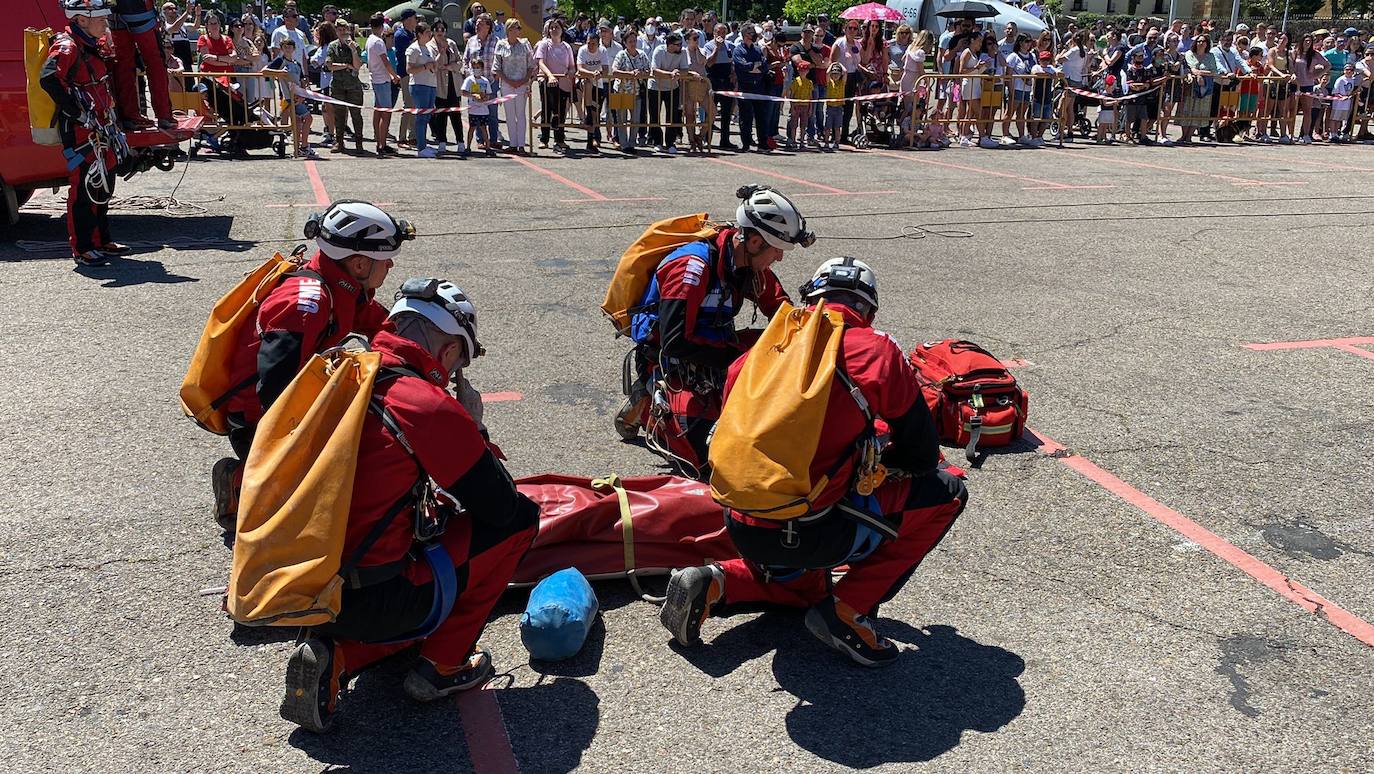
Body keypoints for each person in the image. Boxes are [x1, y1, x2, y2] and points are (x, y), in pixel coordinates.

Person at [659, 256, 968, 668]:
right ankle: (848, 609)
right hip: (815, 529)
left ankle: (718, 582)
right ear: (867, 310)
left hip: (741, 520)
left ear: (809, 298)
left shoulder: (760, 353)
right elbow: (922, 454)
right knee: (947, 493)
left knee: (809, 577)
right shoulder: (875, 350)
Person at [280, 279, 540, 733]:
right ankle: (443, 665)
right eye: (461, 359)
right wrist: (473, 427)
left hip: (304, 581)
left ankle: (338, 654)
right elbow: (498, 505)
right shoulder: (425, 404)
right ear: (446, 352)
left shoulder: (341, 369)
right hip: (379, 596)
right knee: (520, 520)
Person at [210, 201, 406, 530]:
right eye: (385, 259)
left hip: (281, 400)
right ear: (359, 264)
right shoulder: (306, 304)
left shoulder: (336, 281)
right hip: (258, 418)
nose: (389, 266)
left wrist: (413, 348)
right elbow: (275, 391)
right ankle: (239, 481)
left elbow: (375, 322)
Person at [618, 186, 812, 474]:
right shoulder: (691, 267)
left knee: (782, 347)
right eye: (777, 251)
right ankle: (648, 404)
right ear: (756, 241)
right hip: (673, 361)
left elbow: (783, 313)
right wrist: (741, 361)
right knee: (706, 461)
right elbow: (675, 342)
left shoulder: (748, 263)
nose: (780, 259)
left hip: (717, 350)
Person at [41, 0, 129, 268]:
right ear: (81, 20)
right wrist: (77, 112)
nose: (105, 21)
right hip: (81, 132)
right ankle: (83, 247)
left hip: (102, 127)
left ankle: (101, 239)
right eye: (100, 17)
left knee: (104, 184)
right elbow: (48, 77)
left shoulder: (91, 45)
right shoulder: (68, 46)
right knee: (84, 189)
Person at [110, 0, 175, 130]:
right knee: (155, 61)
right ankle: (164, 115)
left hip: (114, 13)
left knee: (123, 65)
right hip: (141, 12)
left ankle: (130, 117)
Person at [493, 18, 534, 154]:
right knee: (509, 115)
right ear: (509, 29)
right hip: (507, 84)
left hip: (521, 83)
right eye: (517, 27)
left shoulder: (525, 44)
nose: (520, 30)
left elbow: (531, 65)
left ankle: (521, 144)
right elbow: (497, 67)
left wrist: (524, 81)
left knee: (520, 114)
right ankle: (513, 144)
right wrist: (508, 81)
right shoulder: (501, 45)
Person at [268, 38, 314, 157]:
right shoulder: (280, 61)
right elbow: (265, 71)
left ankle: (298, 147)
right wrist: (279, 73)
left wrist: (304, 93)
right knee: (308, 118)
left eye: (290, 47)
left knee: (298, 122)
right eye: (285, 47)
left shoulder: (296, 63)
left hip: (299, 96)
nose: (288, 49)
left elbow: (302, 79)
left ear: (294, 49)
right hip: (289, 97)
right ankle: (304, 146)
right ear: (282, 48)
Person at [534, 17, 574, 152]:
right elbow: (540, 62)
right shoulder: (544, 44)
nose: (554, 30)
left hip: (563, 83)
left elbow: (572, 66)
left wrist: (570, 72)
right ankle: (544, 139)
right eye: (551, 27)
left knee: (562, 111)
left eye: (557, 27)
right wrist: (550, 76)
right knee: (547, 109)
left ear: (562, 30)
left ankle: (559, 139)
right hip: (548, 82)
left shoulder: (566, 46)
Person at [325, 21, 364, 154]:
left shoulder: (356, 46)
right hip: (338, 86)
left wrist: (353, 50)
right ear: (336, 31)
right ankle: (339, 142)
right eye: (340, 30)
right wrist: (346, 65)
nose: (343, 32)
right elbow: (330, 66)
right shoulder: (333, 46)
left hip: (353, 86)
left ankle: (359, 142)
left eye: (345, 29)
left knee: (356, 115)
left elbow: (358, 65)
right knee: (339, 116)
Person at [465, 13, 503, 148]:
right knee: (477, 112)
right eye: (476, 23)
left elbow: (499, 60)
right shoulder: (471, 41)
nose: (477, 26)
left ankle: (493, 140)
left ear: (488, 26)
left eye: (480, 24)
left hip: (491, 82)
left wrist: (497, 75)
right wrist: (468, 76)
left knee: (492, 112)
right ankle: (480, 141)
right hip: (475, 84)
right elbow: (466, 60)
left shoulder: (496, 41)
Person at [430, 20, 466, 156]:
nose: (440, 32)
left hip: (453, 83)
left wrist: (450, 67)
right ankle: (442, 142)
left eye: (442, 29)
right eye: (437, 29)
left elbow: (459, 61)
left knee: (456, 114)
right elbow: (434, 65)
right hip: (439, 84)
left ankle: (460, 142)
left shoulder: (451, 43)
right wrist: (441, 52)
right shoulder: (430, 46)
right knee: (441, 115)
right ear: (433, 31)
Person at [365, 15, 400, 155]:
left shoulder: (369, 40)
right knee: (386, 114)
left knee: (378, 110)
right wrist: (394, 75)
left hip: (375, 78)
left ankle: (379, 141)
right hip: (382, 80)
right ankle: (382, 144)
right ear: (381, 26)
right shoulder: (379, 42)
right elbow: (386, 62)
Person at [611, 28, 650, 153]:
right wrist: (629, 73)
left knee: (635, 120)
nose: (633, 43)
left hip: (636, 92)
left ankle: (632, 143)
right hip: (621, 91)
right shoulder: (621, 55)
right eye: (630, 41)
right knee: (621, 119)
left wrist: (642, 73)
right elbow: (614, 71)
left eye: (634, 41)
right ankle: (624, 144)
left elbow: (649, 71)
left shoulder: (642, 55)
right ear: (625, 42)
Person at [648, 31, 688, 153]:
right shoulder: (659, 51)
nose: (680, 46)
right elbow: (654, 70)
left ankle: (670, 142)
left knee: (672, 115)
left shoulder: (683, 53)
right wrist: (670, 74)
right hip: (656, 87)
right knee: (655, 115)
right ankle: (657, 141)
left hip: (672, 88)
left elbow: (685, 70)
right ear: (670, 45)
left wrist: (678, 72)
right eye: (677, 44)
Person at [732, 24, 768, 151]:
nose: (753, 35)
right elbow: (742, 66)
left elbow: (764, 66)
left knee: (761, 116)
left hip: (758, 86)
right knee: (745, 117)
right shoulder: (738, 50)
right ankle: (746, 144)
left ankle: (763, 144)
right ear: (744, 35)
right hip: (745, 86)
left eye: (754, 33)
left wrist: (754, 67)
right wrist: (753, 67)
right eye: (750, 33)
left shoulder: (757, 50)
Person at [406, 22, 439, 158]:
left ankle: (424, 144)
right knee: (421, 117)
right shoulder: (413, 49)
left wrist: (434, 64)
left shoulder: (428, 48)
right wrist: (425, 67)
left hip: (431, 84)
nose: (430, 34)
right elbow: (409, 69)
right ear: (419, 34)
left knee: (427, 116)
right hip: (419, 85)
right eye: (427, 32)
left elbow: (433, 65)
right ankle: (421, 148)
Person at [703, 22, 737, 150]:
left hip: (727, 82)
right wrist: (716, 48)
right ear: (714, 33)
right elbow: (709, 63)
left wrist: (734, 75)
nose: (721, 35)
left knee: (726, 113)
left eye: (723, 32)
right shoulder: (708, 46)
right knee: (710, 112)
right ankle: (707, 139)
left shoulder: (731, 46)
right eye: (719, 32)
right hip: (713, 82)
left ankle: (725, 140)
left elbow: (733, 63)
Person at [577, 30, 612, 152]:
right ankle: (587, 109)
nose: (590, 46)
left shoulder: (602, 51)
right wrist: (592, 74)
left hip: (599, 83)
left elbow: (606, 70)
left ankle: (590, 141)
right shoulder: (582, 50)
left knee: (595, 113)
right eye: (588, 43)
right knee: (587, 83)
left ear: (598, 44)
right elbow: (580, 69)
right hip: (584, 80)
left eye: (593, 44)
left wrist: (599, 73)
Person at [830, 18, 862, 143]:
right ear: (845, 29)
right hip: (841, 77)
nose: (852, 30)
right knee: (837, 106)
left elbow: (859, 61)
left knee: (849, 107)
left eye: (855, 28)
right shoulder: (839, 43)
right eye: (850, 28)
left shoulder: (857, 44)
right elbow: (833, 61)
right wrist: (841, 67)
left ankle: (844, 135)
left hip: (853, 76)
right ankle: (834, 134)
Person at [393, 9, 419, 148]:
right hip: (405, 74)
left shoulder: (411, 33)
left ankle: (412, 135)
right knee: (408, 106)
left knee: (413, 106)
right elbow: (405, 56)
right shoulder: (401, 35)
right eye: (415, 18)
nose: (416, 21)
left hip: (413, 74)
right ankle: (402, 138)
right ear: (408, 19)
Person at [462, 56, 495, 155]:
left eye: (478, 67)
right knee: (471, 128)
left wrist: (485, 98)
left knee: (484, 128)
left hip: (483, 110)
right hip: (473, 110)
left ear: (482, 68)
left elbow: (489, 93)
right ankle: (468, 147)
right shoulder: (469, 80)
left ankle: (488, 147)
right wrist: (473, 95)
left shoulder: (485, 81)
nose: (477, 69)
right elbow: (463, 92)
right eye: (475, 67)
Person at [786, 60, 813, 150]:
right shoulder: (795, 81)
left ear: (808, 71)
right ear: (798, 70)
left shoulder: (809, 82)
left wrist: (810, 108)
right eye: (801, 70)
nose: (803, 72)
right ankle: (793, 141)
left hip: (805, 106)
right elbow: (792, 95)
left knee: (803, 125)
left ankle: (801, 141)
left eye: (805, 70)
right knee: (794, 125)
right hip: (796, 106)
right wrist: (792, 107)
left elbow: (810, 96)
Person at [823, 60, 845, 151]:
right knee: (828, 127)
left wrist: (840, 64)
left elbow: (846, 72)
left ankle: (836, 143)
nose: (835, 75)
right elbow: (827, 73)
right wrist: (832, 64)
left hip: (839, 107)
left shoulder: (842, 83)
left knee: (837, 127)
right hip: (830, 107)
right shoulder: (829, 82)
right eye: (834, 73)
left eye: (837, 74)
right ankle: (826, 142)